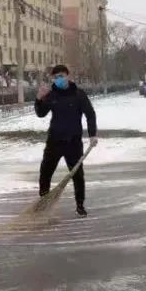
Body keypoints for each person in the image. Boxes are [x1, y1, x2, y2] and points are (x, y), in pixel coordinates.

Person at [35, 64, 98, 217]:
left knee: (77, 175)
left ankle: (80, 205)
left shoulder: (78, 94)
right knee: (45, 171)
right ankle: (44, 201)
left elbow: (90, 114)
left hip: (73, 142)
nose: (59, 80)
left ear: (68, 76)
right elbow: (41, 114)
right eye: (56, 78)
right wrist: (38, 99)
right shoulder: (51, 95)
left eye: (61, 76)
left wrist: (92, 134)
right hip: (54, 141)